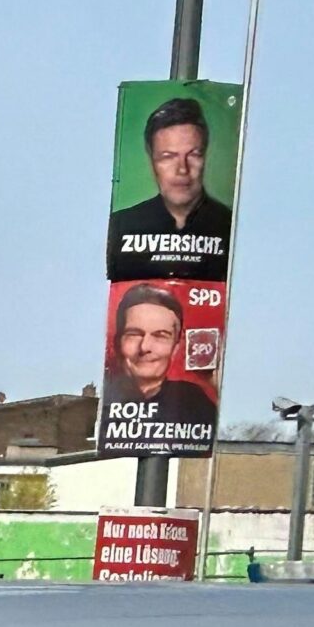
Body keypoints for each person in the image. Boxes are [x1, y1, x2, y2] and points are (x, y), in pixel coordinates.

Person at [106, 95, 233, 281]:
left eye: (193, 155)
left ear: (205, 156)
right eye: (168, 156)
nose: (182, 169)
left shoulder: (231, 228)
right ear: (152, 160)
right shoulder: (122, 227)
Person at [101, 285, 217, 439]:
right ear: (117, 342)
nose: (145, 347)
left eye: (160, 336)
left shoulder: (193, 401)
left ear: (176, 346)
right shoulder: (103, 402)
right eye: (134, 334)